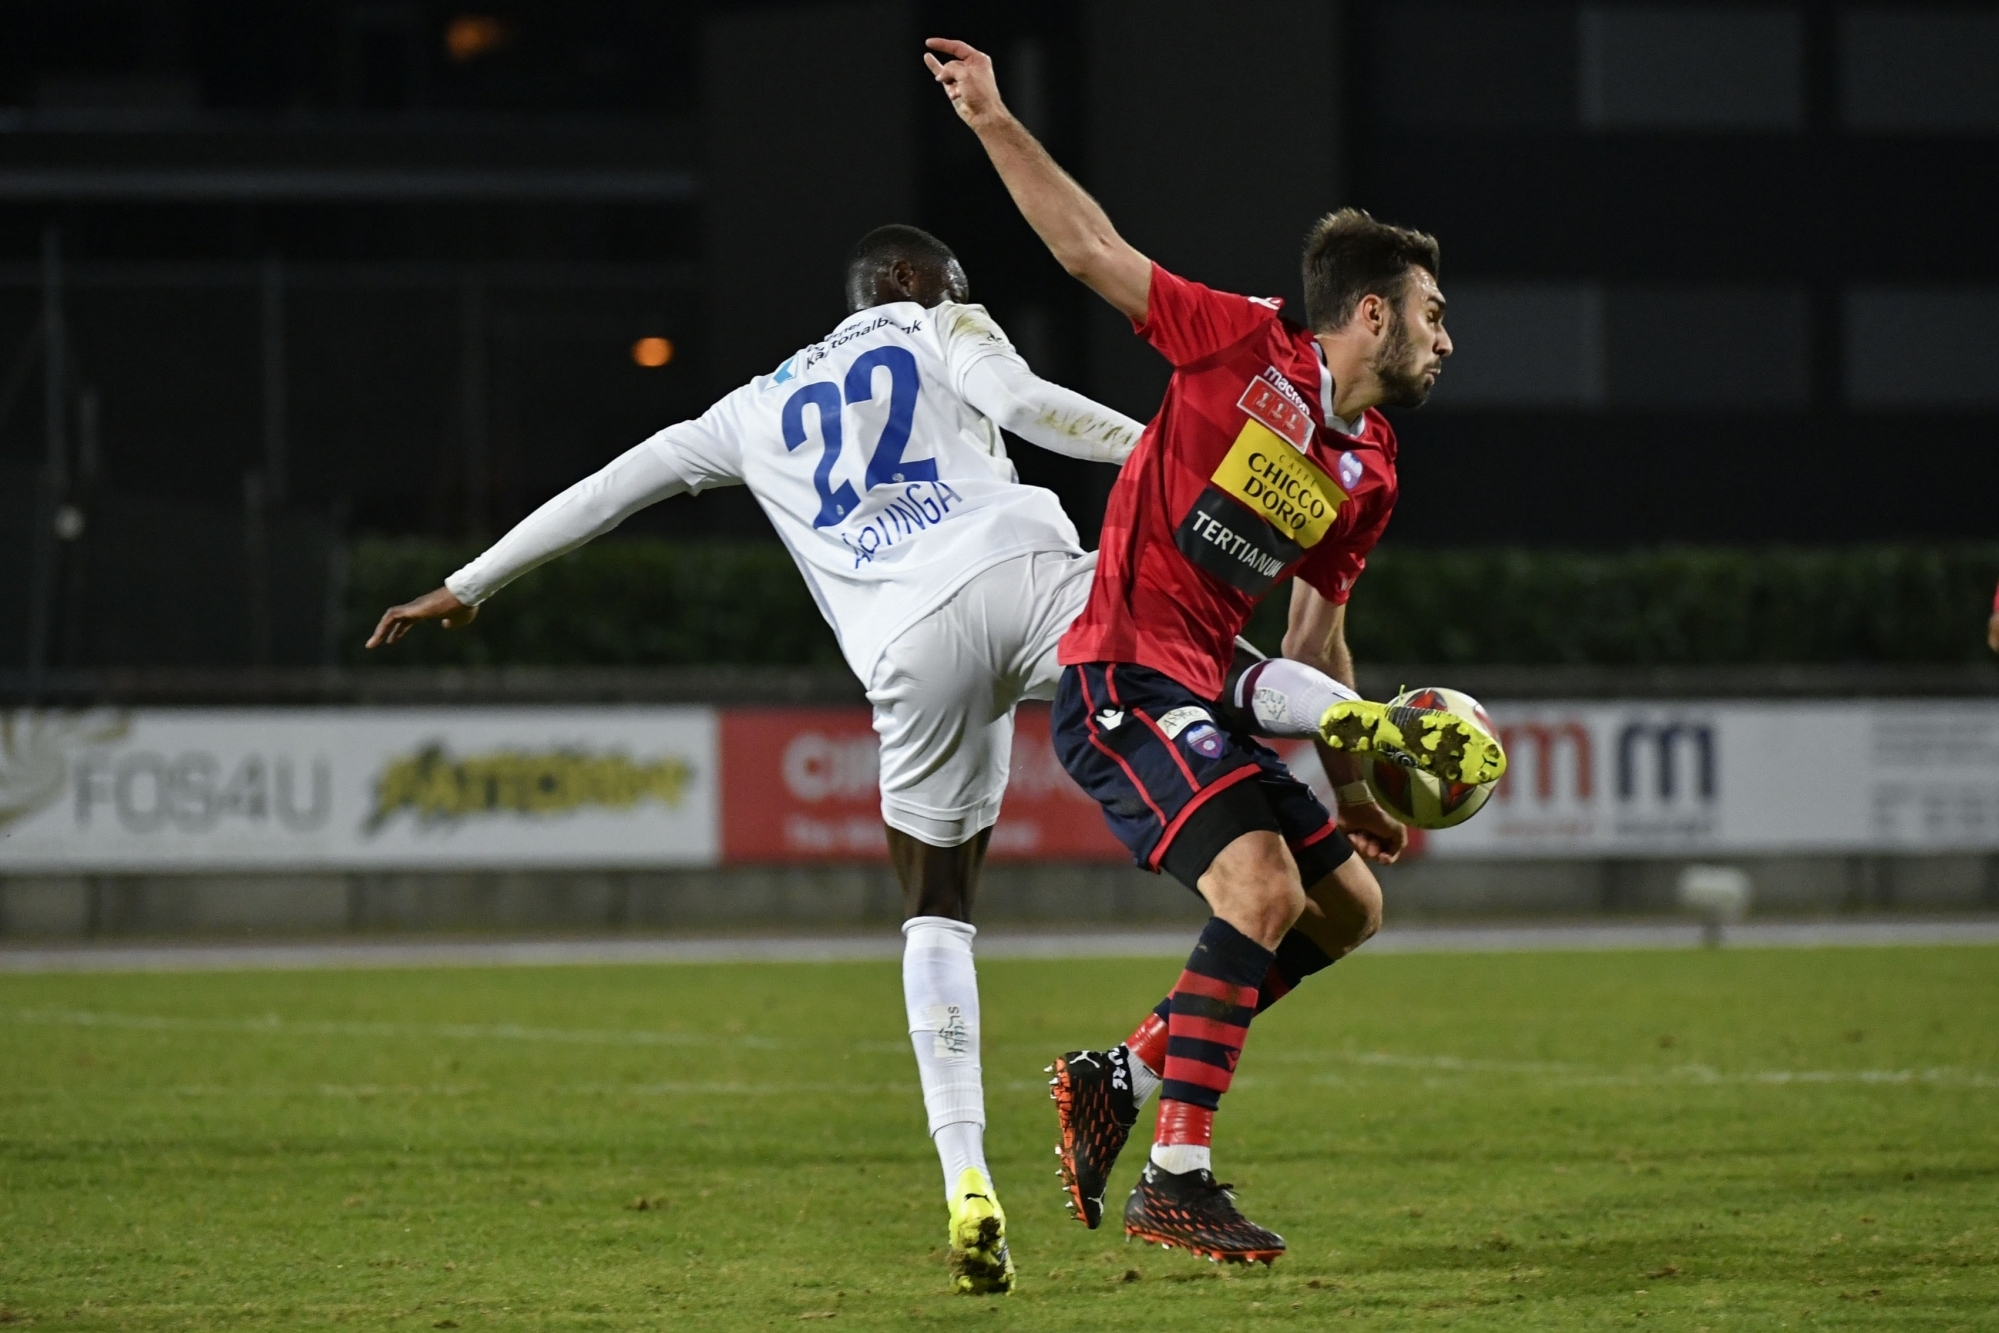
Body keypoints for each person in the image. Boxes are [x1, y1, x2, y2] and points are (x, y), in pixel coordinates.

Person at [367, 224, 1150, 1295]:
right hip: (1018, 574)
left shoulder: (746, 410)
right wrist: (1164, 443)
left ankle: (967, 1178)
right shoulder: (938, 323)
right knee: (1185, 650)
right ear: (909, 280)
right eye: (952, 280)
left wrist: (469, 581)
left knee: (935, 908)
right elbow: (1024, 407)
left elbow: (611, 488)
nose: (959, 293)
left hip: (906, 652)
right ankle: (1354, 722)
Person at [924, 38, 1504, 1263]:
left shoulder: (1372, 468)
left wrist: (1349, 791)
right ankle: (1175, 1174)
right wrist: (991, 119)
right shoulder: (1236, 344)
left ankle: (1120, 1079)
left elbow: (1317, 632)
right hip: (1123, 677)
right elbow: (1089, 250)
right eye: (1432, 316)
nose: (1446, 340)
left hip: (1217, 687)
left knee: (1346, 905)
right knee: (1260, 890)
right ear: (1367, 314)